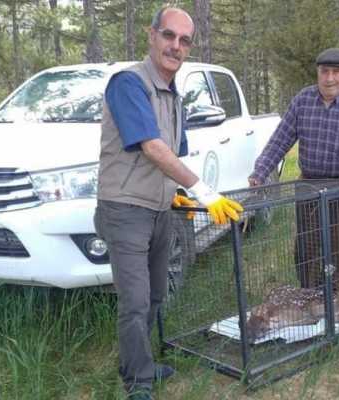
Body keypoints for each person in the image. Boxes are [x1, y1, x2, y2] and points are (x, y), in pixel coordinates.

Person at [93, 7, 243, 399]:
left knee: (158, 292)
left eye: (184, 40)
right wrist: (203, 192)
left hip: (161, 210)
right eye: (169, 36)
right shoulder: (128, 84)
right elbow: (153, 148)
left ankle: (142, 363)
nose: (175, 46)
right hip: (125, 209)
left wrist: (177, 193)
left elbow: (176, 153)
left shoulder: (174, 95)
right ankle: (138, 383)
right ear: (152, 35)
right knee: (136, 300)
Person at [249, 48, 339, 307]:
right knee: (306, 245)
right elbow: (280, 140)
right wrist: (260, 172)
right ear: (317, 73)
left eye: (336, 72)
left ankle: (330, 297)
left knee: (337, 244)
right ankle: (307, 295)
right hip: (309, 183)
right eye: (324, 71)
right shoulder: (303, 100)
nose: (330, 78)